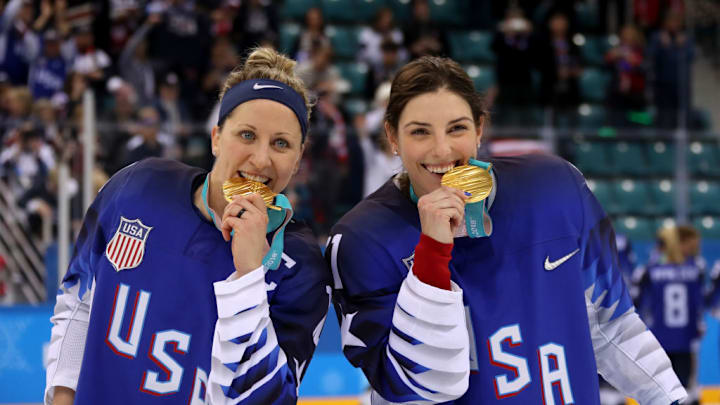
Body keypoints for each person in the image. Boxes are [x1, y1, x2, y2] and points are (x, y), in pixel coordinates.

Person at [327, 55, 687, 404]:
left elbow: (613, 326)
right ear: (392, 137)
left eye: (458, 128)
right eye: (420, 132)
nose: (442, 149)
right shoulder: (362, 240)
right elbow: (418, 389)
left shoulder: (556, 185)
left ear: (480, 128)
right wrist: (433, 254)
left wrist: (670, 398)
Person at [45, 47, 331, 405]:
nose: (261, 159)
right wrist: (63, 395)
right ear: (215, 138)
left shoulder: (300, 266)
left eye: (281, 143)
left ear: (298, 158)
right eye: (246, 135)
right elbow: (79, 301)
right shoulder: (136, 187)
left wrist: (247, 276)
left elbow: (264, 399)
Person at [634, 225, 706, 402]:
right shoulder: (694, 268)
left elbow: (637, 301)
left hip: (658, 337)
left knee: (660, 389)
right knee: (687, 389)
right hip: (684, 338)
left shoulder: (650, 269)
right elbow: (700, 302)